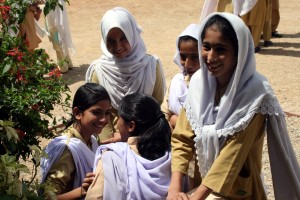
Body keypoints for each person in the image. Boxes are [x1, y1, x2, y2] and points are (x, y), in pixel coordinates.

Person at [167, 12, 300, 200]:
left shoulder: (256, 94)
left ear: (239, 53)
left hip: (237, 190)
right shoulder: (199, 83)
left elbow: (231, 157)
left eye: (220, 49)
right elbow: (182, 137)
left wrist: (196, 197)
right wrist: (174, 188)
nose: (210, 57)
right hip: (199, 181)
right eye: (206, 47)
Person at [85, 7, 166, 143]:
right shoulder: (99, 72)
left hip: (146, 140)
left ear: (132, 34)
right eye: (110, 41)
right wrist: (112, 143)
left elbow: (157, 105)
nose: (118, 47)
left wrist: (138, 139)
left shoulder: (151, 66)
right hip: (112, 142)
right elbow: (98, 114)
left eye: (123, 38)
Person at [85, 93, 172, 199]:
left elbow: (95, 196)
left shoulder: (113, 158)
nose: (116, 122)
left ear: (131, 126)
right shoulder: (171, 155)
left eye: (119, 117)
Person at [40, 83, 111, 199]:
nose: (104, 119)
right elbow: (48, 197)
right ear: (77, 113)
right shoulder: (67, 149)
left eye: (107, 113)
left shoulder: (91, 139)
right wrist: (82, 190)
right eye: (96, 112)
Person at [162, 23, 201, 130]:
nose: (187, 64)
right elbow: (164, 113)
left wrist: (176, 120)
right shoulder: (177, 82)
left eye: (195, 57)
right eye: (183, 57)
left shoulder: (214, 84)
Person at [44, 0, 75, 73]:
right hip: (56, 9)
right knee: (61, 32)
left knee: (55, 33)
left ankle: (62, 65)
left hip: (52, 10)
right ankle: (67, 60)